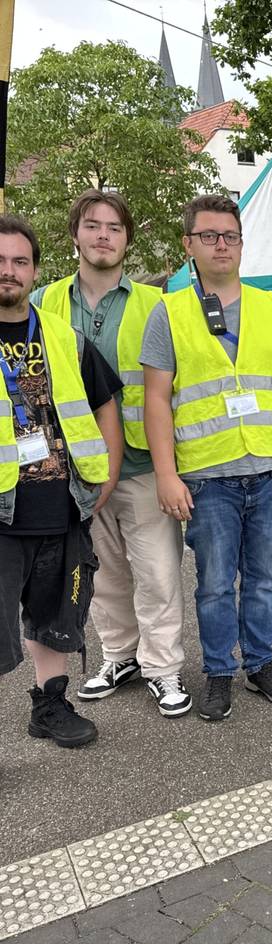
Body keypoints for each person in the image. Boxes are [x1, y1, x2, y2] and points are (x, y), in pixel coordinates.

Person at [141, 194, 272, 721]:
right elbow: (155, 398)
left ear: (242, 243)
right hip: (208, 480)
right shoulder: (170, 312)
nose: (221, 245)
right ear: (189, 244)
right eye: (209, 236)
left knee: (265, 581)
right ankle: (220, 672)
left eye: (230, 236)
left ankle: (261, 664)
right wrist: (165, 474)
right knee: (216, 584)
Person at [32, 189, 190, 718]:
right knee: (101, 574)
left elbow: (171, 387)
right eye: (93, 225)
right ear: (75, 234)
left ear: (127, 239)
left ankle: (163, 668)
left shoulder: (155, 304)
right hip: (74, 468)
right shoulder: (44, 302)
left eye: (115, 228)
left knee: (159, 572)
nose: (103, 235)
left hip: (144, 464)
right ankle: (119, 656)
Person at [0, 214, 123, 747]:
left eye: (19, 261)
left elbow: (103, 406)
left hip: (61, 506)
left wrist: (107, 481)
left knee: (55, 618)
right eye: (0, 261)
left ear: (35, 271)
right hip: (1, 515)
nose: (9, 271)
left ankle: (49, 707)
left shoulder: (63, 338)